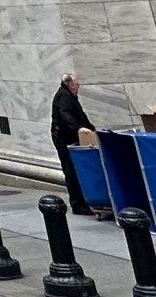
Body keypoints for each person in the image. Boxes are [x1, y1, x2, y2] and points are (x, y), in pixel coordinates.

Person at [51, 73, 99, 218]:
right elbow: (66, 116)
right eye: (77, 84)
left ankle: (82, 202)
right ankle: (77, 204)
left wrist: (92, 130)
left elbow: (80, 115)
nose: (79, 86)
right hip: (64, 138)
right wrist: (78, 128)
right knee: (70, 170)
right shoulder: (64, 97)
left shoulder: (69, 96)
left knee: (75, 169)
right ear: (71, 85)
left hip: (69, 135)